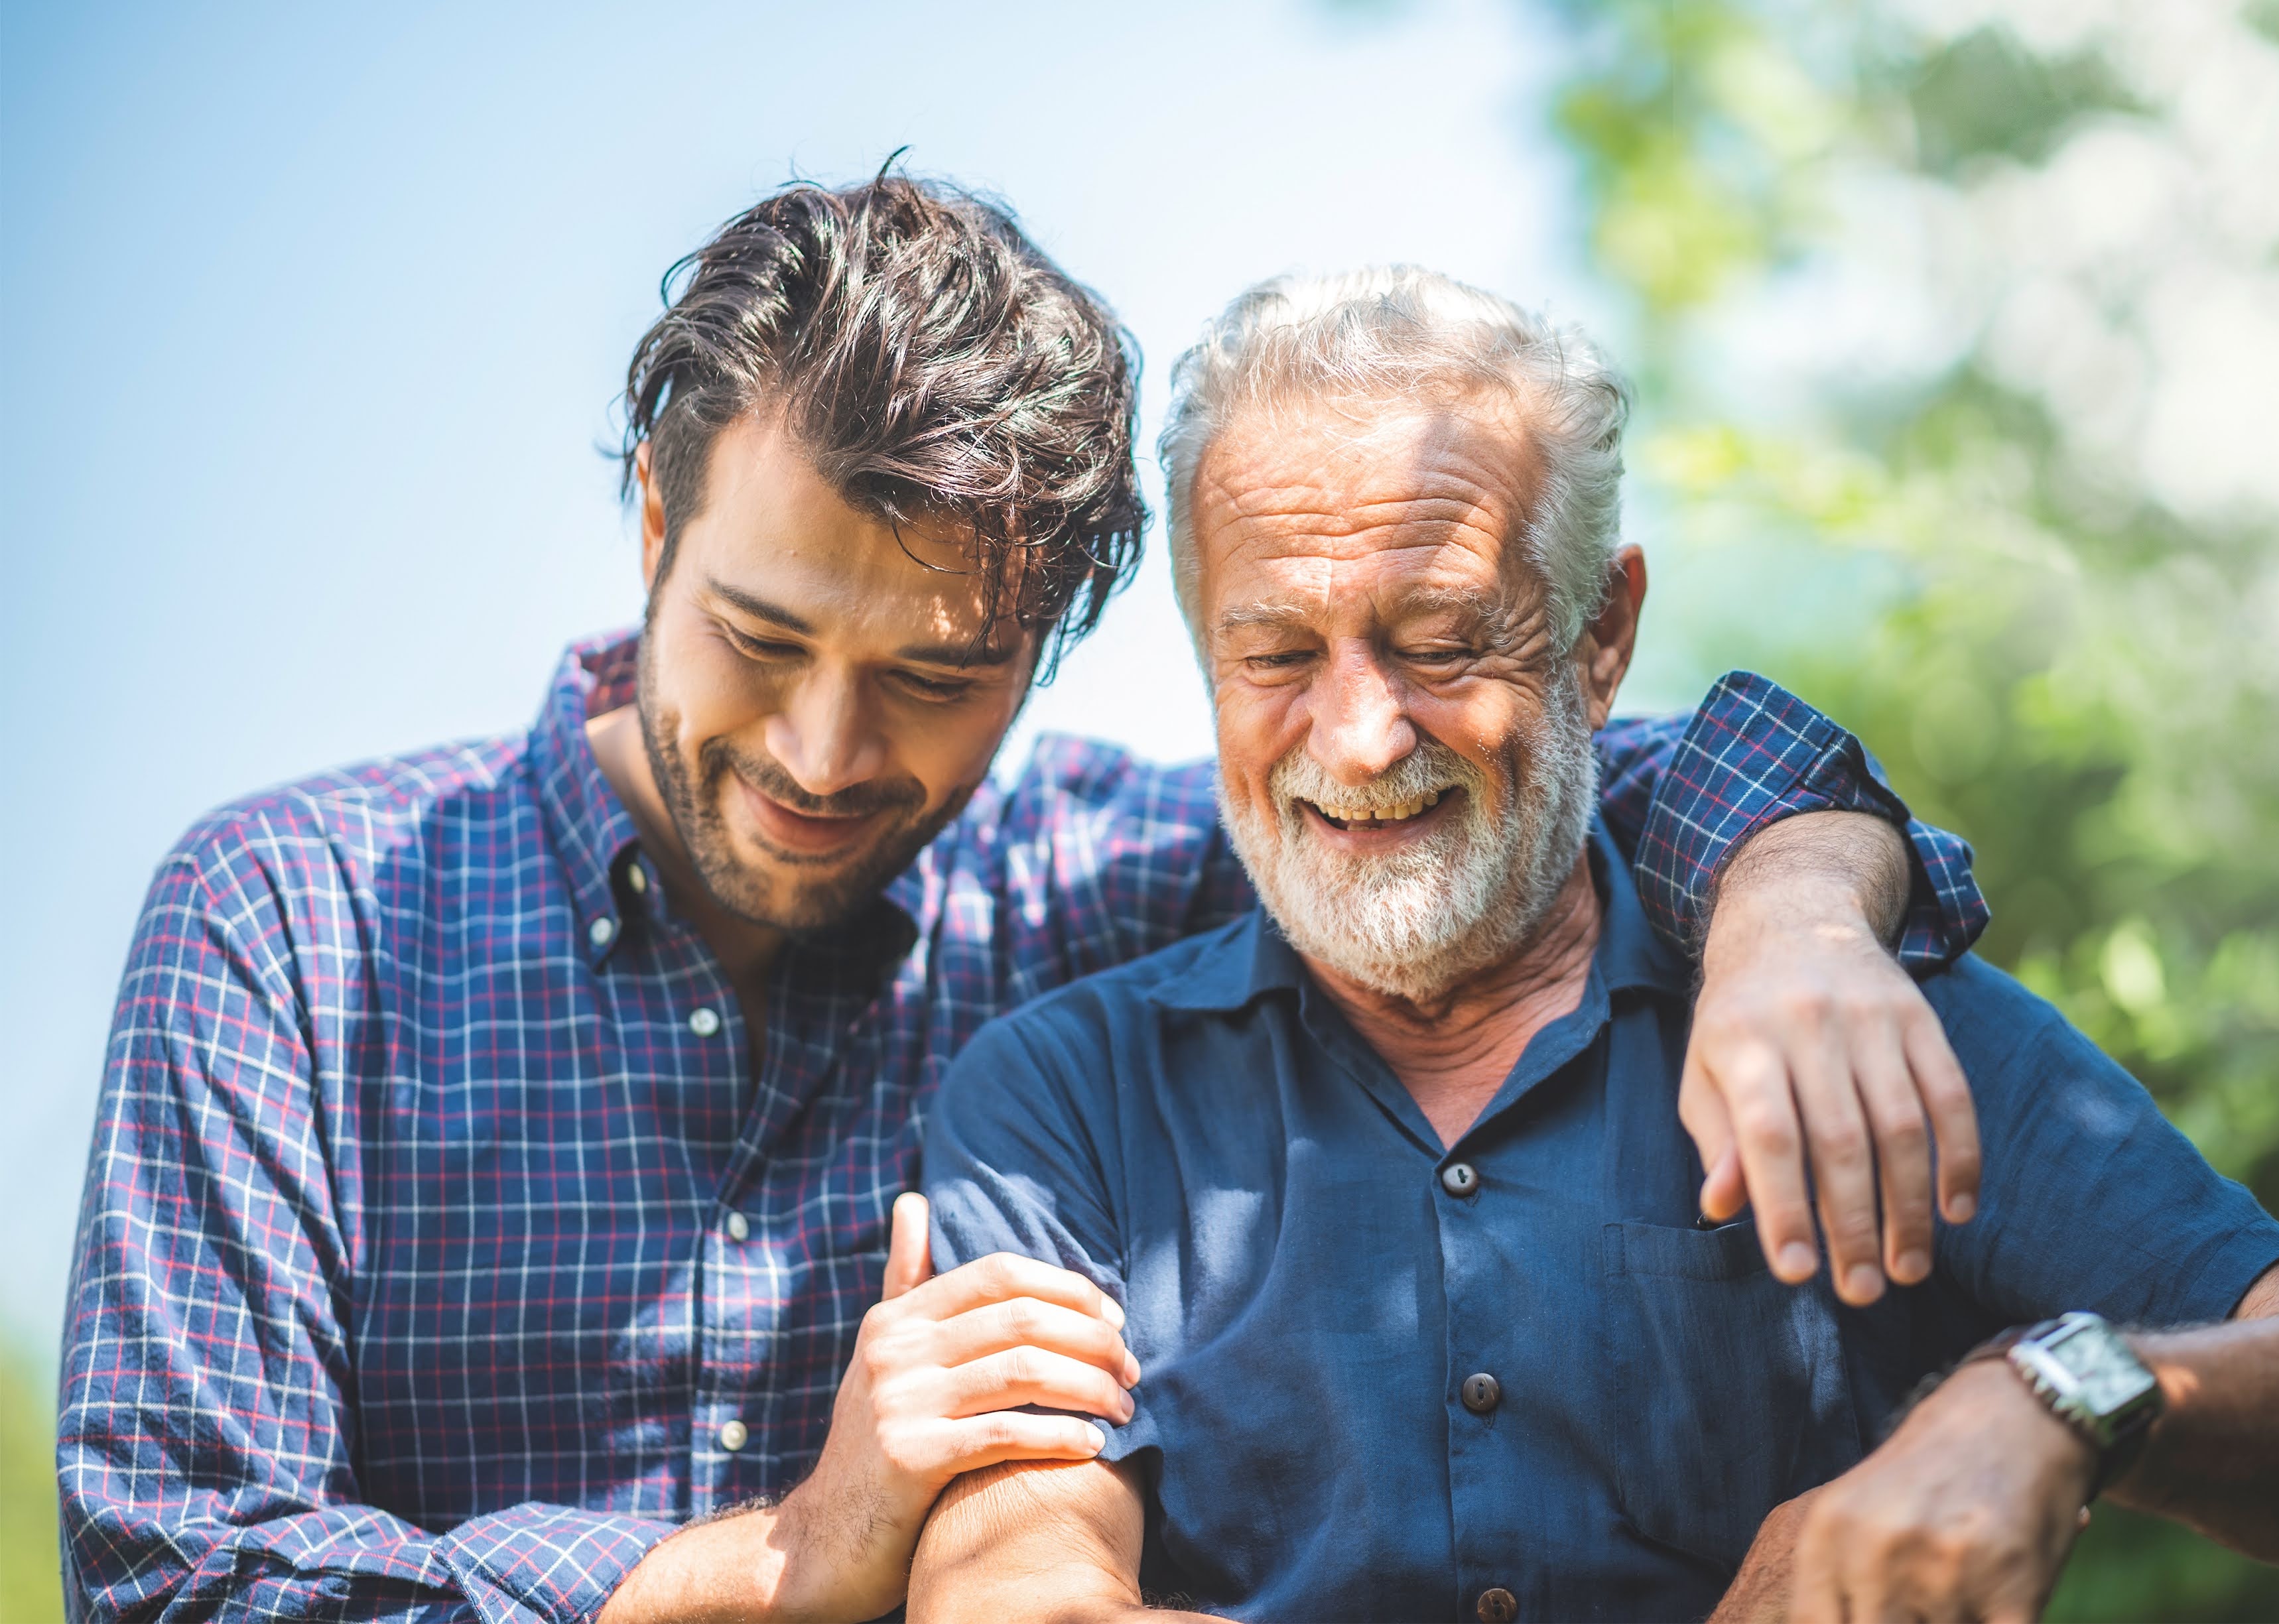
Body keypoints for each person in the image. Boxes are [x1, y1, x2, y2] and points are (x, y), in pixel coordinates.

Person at [57, 176, 1994, 1624]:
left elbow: (1522, 774)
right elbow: (168, 1577)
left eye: (931, 680)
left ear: (1050, 647)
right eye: (756, 637)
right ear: (656, 522)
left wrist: (1797, 913)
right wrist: (765, 1563)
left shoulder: (1108, 879)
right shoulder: (286, 926)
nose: (822, 754)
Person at [906, 267, 2279, 1624]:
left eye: (1442, 639)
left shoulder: (1850, 1016)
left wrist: (2051, 1397)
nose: (1360, 735)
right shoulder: (1063, 1094)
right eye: (1273, 652)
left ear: (1601, 634)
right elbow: (1010, 1588)